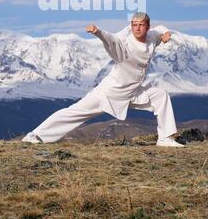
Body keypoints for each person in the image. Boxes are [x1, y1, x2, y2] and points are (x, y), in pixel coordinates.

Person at [22, 12, 184, 147]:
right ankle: (36, 135)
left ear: (147, 26)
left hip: (132, 92)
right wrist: (97, 31)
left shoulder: (152, 37)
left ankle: (165, 138)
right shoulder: (124, 45)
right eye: (134, 25)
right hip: (109, 92)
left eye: (141, 24)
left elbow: (160, 29)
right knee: (75, 112)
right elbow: (110, 39)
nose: (137, 28)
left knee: (160, 95)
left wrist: (166, 33)